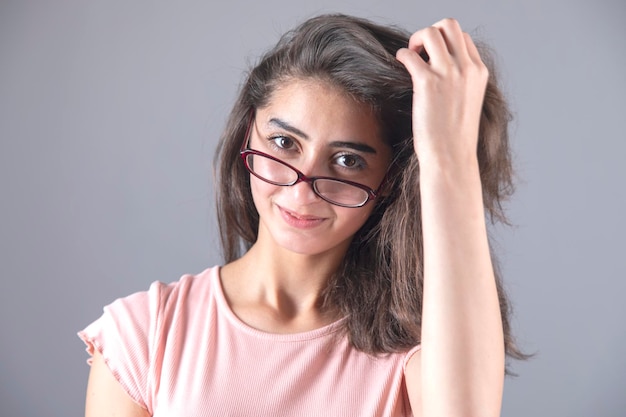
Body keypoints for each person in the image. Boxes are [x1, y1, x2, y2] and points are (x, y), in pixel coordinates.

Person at [79, 13, 525, 417]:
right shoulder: (145, 334)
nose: (303, 184)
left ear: (388, 181)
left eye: (348, 160)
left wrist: (449, 156)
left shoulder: (416, 353)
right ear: (248, 130)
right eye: (284, 143)